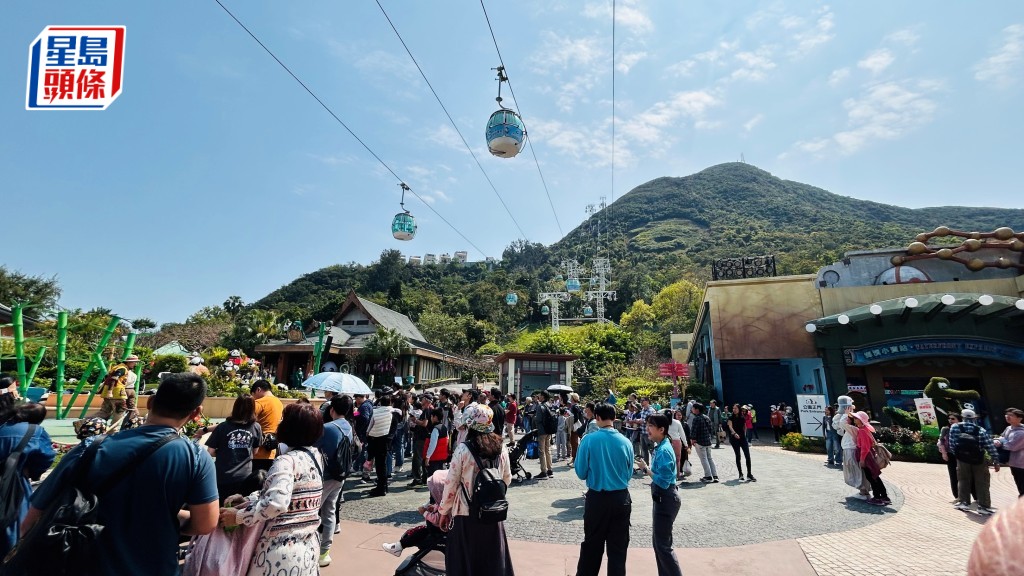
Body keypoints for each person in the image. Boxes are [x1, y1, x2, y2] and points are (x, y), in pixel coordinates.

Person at [26, 373, 219, 576]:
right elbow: (205, 523)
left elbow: (34, 513)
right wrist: (166, 515)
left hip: (84, 564)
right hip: (155, 566)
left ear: (151, 401)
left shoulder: (91, 447)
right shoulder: (196, 457)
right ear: (197, 412)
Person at [220, 402, 325, 575]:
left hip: (279, 554)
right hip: (307, 550)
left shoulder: (286, 461)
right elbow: (293, 495)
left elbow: (277, 503)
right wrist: (249, 500)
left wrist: (238, 516)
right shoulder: (315, 456)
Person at [437, 404, 513, 576]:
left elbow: (451, 484)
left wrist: (443, 511)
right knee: (492, 560)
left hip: (466, 511)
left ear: (470, 424)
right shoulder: (502, 447)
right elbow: (507, 479)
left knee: (466, 560)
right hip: (493, 511)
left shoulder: (464, 449)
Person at [574, 402, 633, 576]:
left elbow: (581, 471)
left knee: (592, 545)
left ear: (597, 417)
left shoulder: (589, 440)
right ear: (614, 418)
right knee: (618, 549)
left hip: (597, 499)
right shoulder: (626, 441)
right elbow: (629, 473)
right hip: (621, 499)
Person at [0, 394, 55, 557]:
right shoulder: (34, 431)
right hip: (13, 484)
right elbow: (46, 456)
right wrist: (32, 472)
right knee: (12, 527)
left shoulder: (3, 425)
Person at [636, 413, 683, 576]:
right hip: (663, 498)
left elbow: (663, 481)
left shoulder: (663, 450)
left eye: (650, 426)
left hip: (666, 498)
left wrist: (646, 469)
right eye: (647, 425)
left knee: (663, 546)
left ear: (661, 429)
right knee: (659, 544)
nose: (647, 428)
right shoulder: (661, 446)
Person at [200, 394, 263, 503]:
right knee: (238, 509)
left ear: (235, 407)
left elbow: (210, 452)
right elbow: (255, 451)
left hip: (222, 476)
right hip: (244, 477)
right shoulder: (256, 427)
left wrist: (224, 451)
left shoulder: (223, 427)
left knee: (220, 508)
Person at [316, 395, 354, 567]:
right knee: (330, 512)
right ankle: (325, 552)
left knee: (313, 511)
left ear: (332, 409)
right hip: (340, 475)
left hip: (326, 475)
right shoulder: (349, 427)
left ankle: (310, 548)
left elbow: (315, 446)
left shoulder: (328, 428)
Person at [382, 469, 449, 556]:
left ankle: (399, 547)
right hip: (442, 529)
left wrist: (424, 513)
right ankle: (399, 546)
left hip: (440, 531)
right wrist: (434, 507)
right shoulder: (449, 500)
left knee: (420, 533)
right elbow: (440, 508)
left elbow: (437, 519)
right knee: (420, 532)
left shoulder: (446, 505)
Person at [950, 408, 1001, 514]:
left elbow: (952, 444)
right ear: (974, 418)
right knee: (982, 482)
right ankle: (984, 506)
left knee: (963, 480)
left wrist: (959, 455)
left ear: (962, 417)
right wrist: (996, 460)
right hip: (978, 459)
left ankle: (964, 502)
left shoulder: (955, 427)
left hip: (962, 459)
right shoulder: (980, 429)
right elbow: (989, 446)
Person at [851, 410, 890, 506]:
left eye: (856, 418)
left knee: (872, 477)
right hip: (870, 456)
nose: (854, 419)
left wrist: (862, 459)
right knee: (875, 476)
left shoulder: (862, 431)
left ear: (860, 420)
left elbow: (864, 447)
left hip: (867, 457)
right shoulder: (865, 430)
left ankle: (877, 497)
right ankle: (884, 496)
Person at [368, 394, 400, 497]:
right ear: (390, 402)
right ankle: (383, 486)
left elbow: (370, 427)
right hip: (388, 441)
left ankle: (381, 488)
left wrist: (367, 434)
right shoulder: (395, 413)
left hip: (377, 439)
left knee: (380, 465)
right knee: (383, 464)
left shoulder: (376, 412)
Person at [938, 412, 974, 502]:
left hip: (963, 455)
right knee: (953, 475)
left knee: (968, 474)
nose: (950, 420)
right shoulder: (945, 429)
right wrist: (944, 453)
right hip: (951, 455)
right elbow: (941, 441)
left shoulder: (964, 428)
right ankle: (957, 496)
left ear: (959, 420)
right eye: (949, 418)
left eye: (953, 419)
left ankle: (974, 495)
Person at [251, 379, 283, 471]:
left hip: (257, 452)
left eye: (253, 395)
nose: (254, 398)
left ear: (258, 390)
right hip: (272, 450)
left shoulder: (259, 403)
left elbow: (244, 421)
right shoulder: (279, 403)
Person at [994, 407, 1024, 497]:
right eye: (1007, 414)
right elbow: (1002, 437)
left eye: (1011, 415)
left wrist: (1001, 442)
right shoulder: (1008, 428)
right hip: (1013, 463)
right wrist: (998, 440)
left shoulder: (1021, 433)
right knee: (1019, 485)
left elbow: (1012, 446)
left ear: (1019, 418)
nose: (1007, 416)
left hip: (1021, 465)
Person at [690, 402, 718, 483]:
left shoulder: (696, 419)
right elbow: (710, 429)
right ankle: (715, 475)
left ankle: (708, 476)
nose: (692, 409)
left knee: (704, 459)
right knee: (710, 458)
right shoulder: (706, 417)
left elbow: (694, 430)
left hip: (700, 441)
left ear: (697, 410)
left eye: (693, 408)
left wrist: (693, 439)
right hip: (708, 441)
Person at [727, 404, 755, 482]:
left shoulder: (742, 417)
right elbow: (730, 426)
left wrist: (744, 434)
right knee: (738, 456)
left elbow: (745, 426)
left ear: (739, 409)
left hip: (742, 438)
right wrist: (734, 433)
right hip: (734, 438)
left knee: (747, 456)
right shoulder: (730, 417)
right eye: (733, 408)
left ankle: (749, 474)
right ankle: (740, 474)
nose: (734, 409)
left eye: (735, 408)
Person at [535, 391, 555, 478]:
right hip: (549, 430)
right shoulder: (550, 405)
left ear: (543, 396)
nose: (539, 396)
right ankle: (550, 469)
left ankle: (544, 471)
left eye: (540, 395)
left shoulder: (540, 406)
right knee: (548, 450)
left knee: (541, 451)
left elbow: (538, 419)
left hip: (542, 430)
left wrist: (534, 418)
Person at [424, 408, 450, 476]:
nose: (431, 418)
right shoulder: (444, 427)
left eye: (432, 416)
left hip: (434, 458)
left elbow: (432, 444)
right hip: (442, 457)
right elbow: (447, 441)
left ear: (435, 417)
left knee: (433, 478)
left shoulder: (435, 429)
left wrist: (427, 457)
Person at [666, 409, 686, 481]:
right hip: (677, 441)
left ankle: (669, 474)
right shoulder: (677, 422)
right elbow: (682, 434)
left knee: (668, 459)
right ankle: (678, 475)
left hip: (666, 441)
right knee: (677, 459)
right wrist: (685, 444)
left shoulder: (663, 422)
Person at [633, 398, 655, 465]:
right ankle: (646, 466)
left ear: (647, 401)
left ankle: (655, 465)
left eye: (643, 401)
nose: (641, 402)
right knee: (644, 450)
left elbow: (652, 421)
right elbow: (643, 419)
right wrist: (638, 420)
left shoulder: (651, 410)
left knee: (651, 450)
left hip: (649, 434)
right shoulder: (643, 410)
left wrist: (643, 421)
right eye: (641, 401)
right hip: (642, 432)